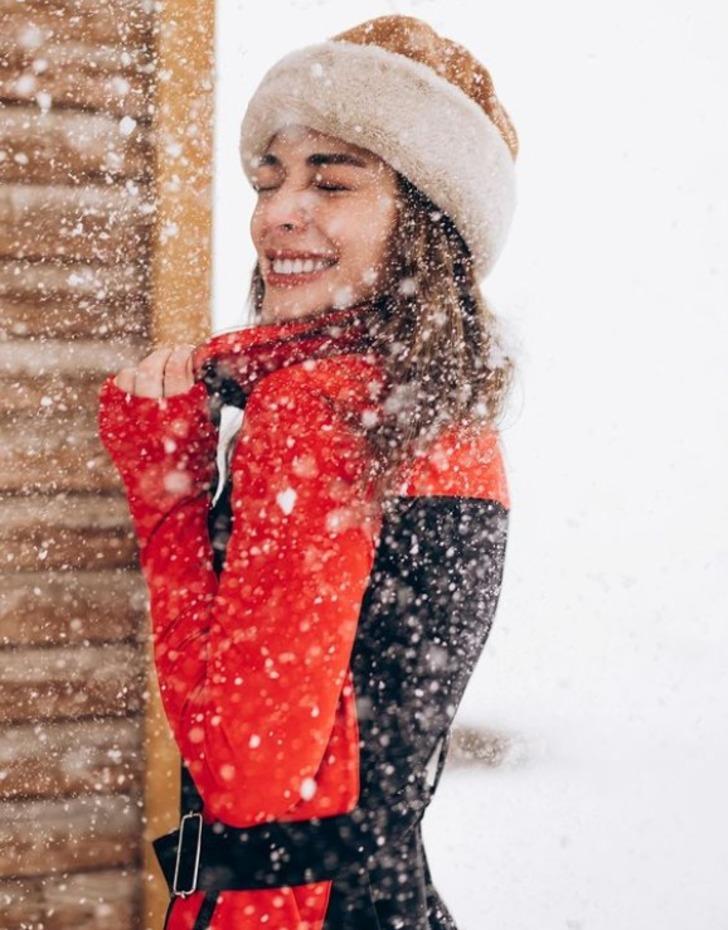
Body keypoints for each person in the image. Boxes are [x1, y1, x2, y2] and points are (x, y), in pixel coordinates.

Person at [97, 13, 518, 930]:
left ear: (425, 223)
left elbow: (247, 773)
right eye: (270, 179)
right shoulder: (438, 415)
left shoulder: (316, 411)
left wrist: (168, 490)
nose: (278, 212)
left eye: (332, 181)